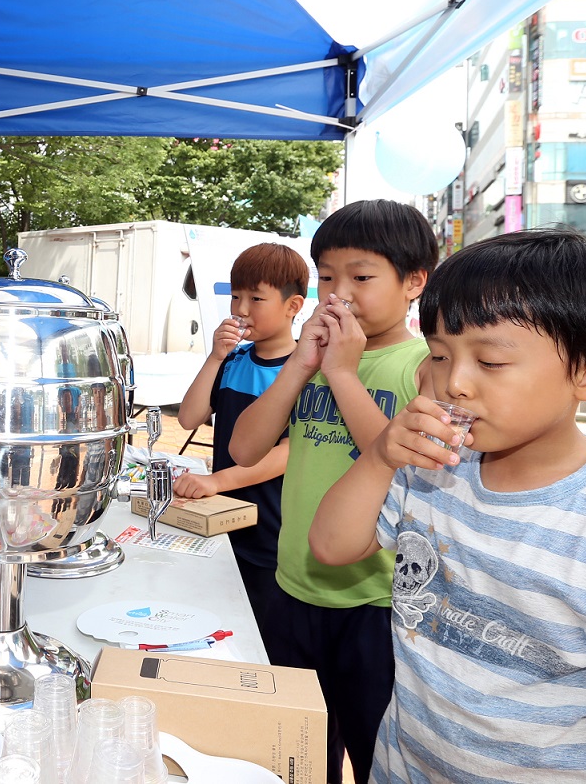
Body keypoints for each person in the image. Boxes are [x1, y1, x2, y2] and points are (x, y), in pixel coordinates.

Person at [309, 227, 586, 783]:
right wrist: (378, 456)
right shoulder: (432, 470)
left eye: (491, 362)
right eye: (441, 356)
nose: (455, 384)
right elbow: (331, 546)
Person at [231, 199, 438, 784]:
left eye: (362, 277)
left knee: (374, 756)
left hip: (376, 605)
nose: (339, 294)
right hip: (293, 586)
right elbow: (246, 449)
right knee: (294, 756)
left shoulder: (423, 366)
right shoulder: (313, 360)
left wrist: (343, 375)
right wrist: (301, 367)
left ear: (414, 282)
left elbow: (407, 468)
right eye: (327, 277)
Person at [174, 242, 307, 628]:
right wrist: (215, 356)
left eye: (256, 298)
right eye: (235, 296)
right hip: (218, 520)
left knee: (262, 630)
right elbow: (188, 417)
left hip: (270, 531)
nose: (241, 309)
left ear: (293, 306)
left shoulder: (302, 372)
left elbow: (287, 452)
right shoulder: (233, 361)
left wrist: (217, 480)